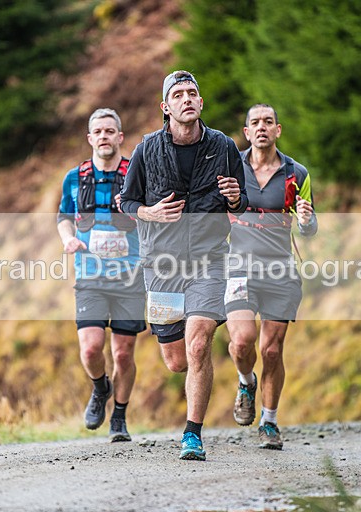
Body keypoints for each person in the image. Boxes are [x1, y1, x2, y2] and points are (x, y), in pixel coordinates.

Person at [120, 70, 247, 460]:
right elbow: (125, 204)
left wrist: (236, 195)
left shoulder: (224, 147)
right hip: (161, 266)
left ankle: (192, 434)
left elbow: (239, 205)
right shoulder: (145, 150)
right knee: (177, 360)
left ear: (201, 103)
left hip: (209, 259)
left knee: (198, 342)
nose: (187, 99)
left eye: (193, 93)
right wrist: (150, 213)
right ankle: (199, 370)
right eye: (178, 94)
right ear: (166, 106)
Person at [225, 104, 317, 450]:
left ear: (278, 129)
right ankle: (245, 381)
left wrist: (306, 220)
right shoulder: (232, 167)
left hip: (280, 270)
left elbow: (309, 228)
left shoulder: (297, 174)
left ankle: (269, 422)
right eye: (254, 123)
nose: (261, 127)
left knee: (273, 350)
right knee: (242, 341)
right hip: (238, 269)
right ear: (246, 132)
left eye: (268, 122)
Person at [57, 108, 146, 443]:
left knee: (123, 353)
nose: (105, 136)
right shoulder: (74, 177)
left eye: (111, 131)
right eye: (99, 131)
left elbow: (151, 214)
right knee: (92, 349)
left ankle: (119, 418)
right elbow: (64, 217)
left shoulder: (137, 173)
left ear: (120, 137)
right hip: (90, 274)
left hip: (130, 277)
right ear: (90, 138)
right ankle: (100, 388)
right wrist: (68, 238)